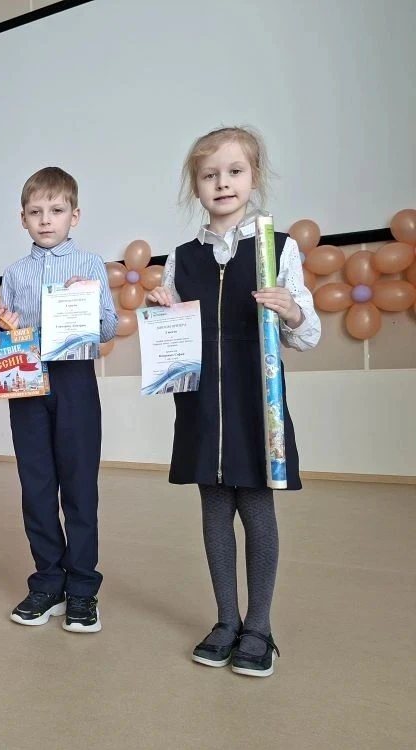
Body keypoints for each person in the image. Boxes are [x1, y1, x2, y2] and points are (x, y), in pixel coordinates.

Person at [147, 125, 321, 677]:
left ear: (254, 177)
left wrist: (291, 309)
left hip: (255, 401)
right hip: (202, 404)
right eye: (209, 175)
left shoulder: (278, 248)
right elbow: (174, 336)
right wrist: (163, 309)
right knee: (214, 510)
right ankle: (226, 620)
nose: (222, 183)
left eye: (234, 171)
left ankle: (259, 628)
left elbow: (307, 335)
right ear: (195, 185)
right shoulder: (181, 258)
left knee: (257, 509)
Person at [0, 167, 117, 632]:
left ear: (74, 216)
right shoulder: (14, 274)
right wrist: (4, 327)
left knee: (80, 486)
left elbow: (109, 327)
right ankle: (48, 581)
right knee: (37, 485)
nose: (46, 220)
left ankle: (82, 587)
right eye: (36, 212)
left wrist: (85, 306)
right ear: (22, 218)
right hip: (27, 385)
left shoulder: (90, 265)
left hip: (75, 380)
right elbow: (10, 332)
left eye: (57, 210)